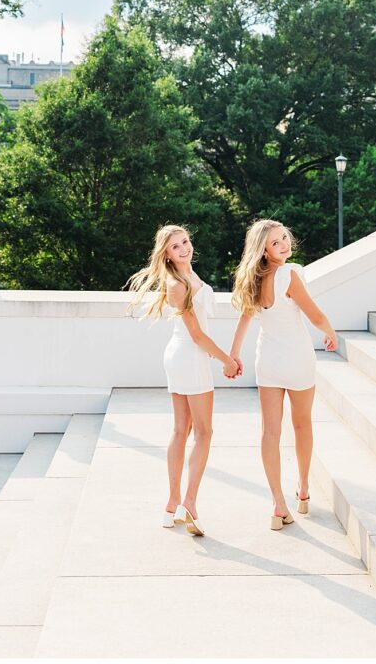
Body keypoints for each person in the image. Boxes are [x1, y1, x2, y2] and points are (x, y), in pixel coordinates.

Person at [127, 224, 239, 535]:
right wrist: (227, 360)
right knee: (202, 431)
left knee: (182, 429)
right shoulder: (177, 284)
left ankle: (172, 504)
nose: (184, 248)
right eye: (176, 246)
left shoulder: (187, 276)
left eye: (186, 242)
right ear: (167, 253)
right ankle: (188, 502)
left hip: (182, 355)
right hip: (190, 355)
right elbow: (198, 335)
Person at [229, 219, 337, 529]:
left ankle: (278, 503)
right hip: (298, 360)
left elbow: (244, 322)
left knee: (270, 432)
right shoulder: (290, 273)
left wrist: (234, 354)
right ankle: (302, 490)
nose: (285, 244)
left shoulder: (253, 277)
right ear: (264, 249)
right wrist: (330, 330)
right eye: (276, 242)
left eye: (285, 238)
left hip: (269, 364)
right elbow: (313, 313)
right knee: (302, 425)